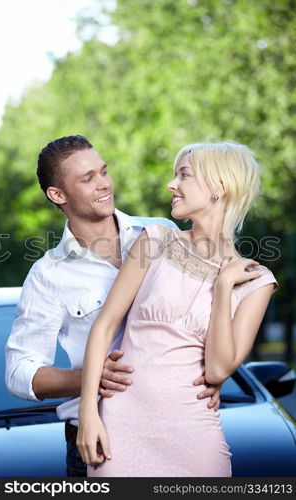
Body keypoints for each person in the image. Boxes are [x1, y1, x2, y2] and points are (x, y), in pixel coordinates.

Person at [5, 135, 220, 477]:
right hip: (101, 443)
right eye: (87, 179)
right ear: (57, 195)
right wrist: (89, 377)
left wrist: (214, 373)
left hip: (181, 431)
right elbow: (19, 374)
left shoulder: (162, 233)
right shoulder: (48, 275)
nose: (104, 184)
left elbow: (203, 314)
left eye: (103, 171)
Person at [76, 140, 278, 477]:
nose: (172, 185)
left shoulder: (256, 281)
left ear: (218, 187)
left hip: (194, 439)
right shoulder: (154, 240)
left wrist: (225, 286)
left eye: (183, 175)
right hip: (120, 432)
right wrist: (88, 414)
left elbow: (216, 371)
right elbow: (104, 325)